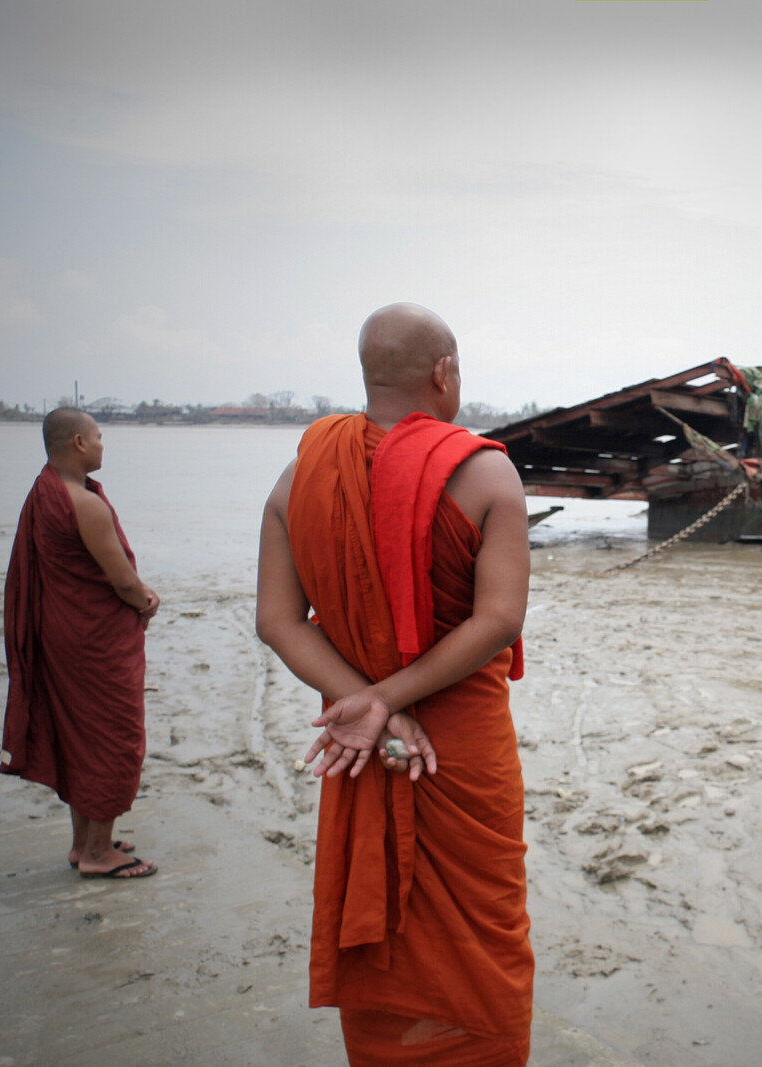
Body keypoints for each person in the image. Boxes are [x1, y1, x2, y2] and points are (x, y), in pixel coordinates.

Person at [256, 302, 534, 1066]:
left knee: (388, 933)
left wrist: (366, 700)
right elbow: (500, 619)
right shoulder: (483, 470)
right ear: (444, 373)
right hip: (459, 751)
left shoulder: (300, 474)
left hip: (360, 745)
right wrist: (390, 700)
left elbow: (278, 621)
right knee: (480, 943)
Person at [1, 408, 160, 879]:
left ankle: (84, 842)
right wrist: (147, 600)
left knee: (78, 734)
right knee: (113, 736)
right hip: (94, 640)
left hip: (61, 632)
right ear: (78, 443)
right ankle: (97, 854)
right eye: (98, 436)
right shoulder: (82, 503)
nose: (103, 443)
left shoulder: (44, 490)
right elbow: (123, 583)